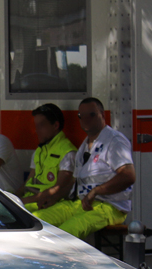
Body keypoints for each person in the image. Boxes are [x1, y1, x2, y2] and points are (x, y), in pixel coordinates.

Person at [34, 96, 135, 239]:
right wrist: (55, 197)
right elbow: (73, 181)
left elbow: (128, 175)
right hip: (81, 203)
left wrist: (96, 191)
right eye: (81, 116)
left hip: (108, 206)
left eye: (92, 115)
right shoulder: (84, 146)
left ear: (102, 114)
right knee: (35, 221)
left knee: (63, 235)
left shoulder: (114, 140)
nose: (86, 119)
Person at [18, 103, 77, 212]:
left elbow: (58, 190)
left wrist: (22, 202)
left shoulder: (68, 152)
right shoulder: (40, 150)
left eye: (42, 125)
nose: (37, 130)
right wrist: (13, 197)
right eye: (36, 126)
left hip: (48, 203)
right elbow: (28, 182)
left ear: (55, 125)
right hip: (31, 199)